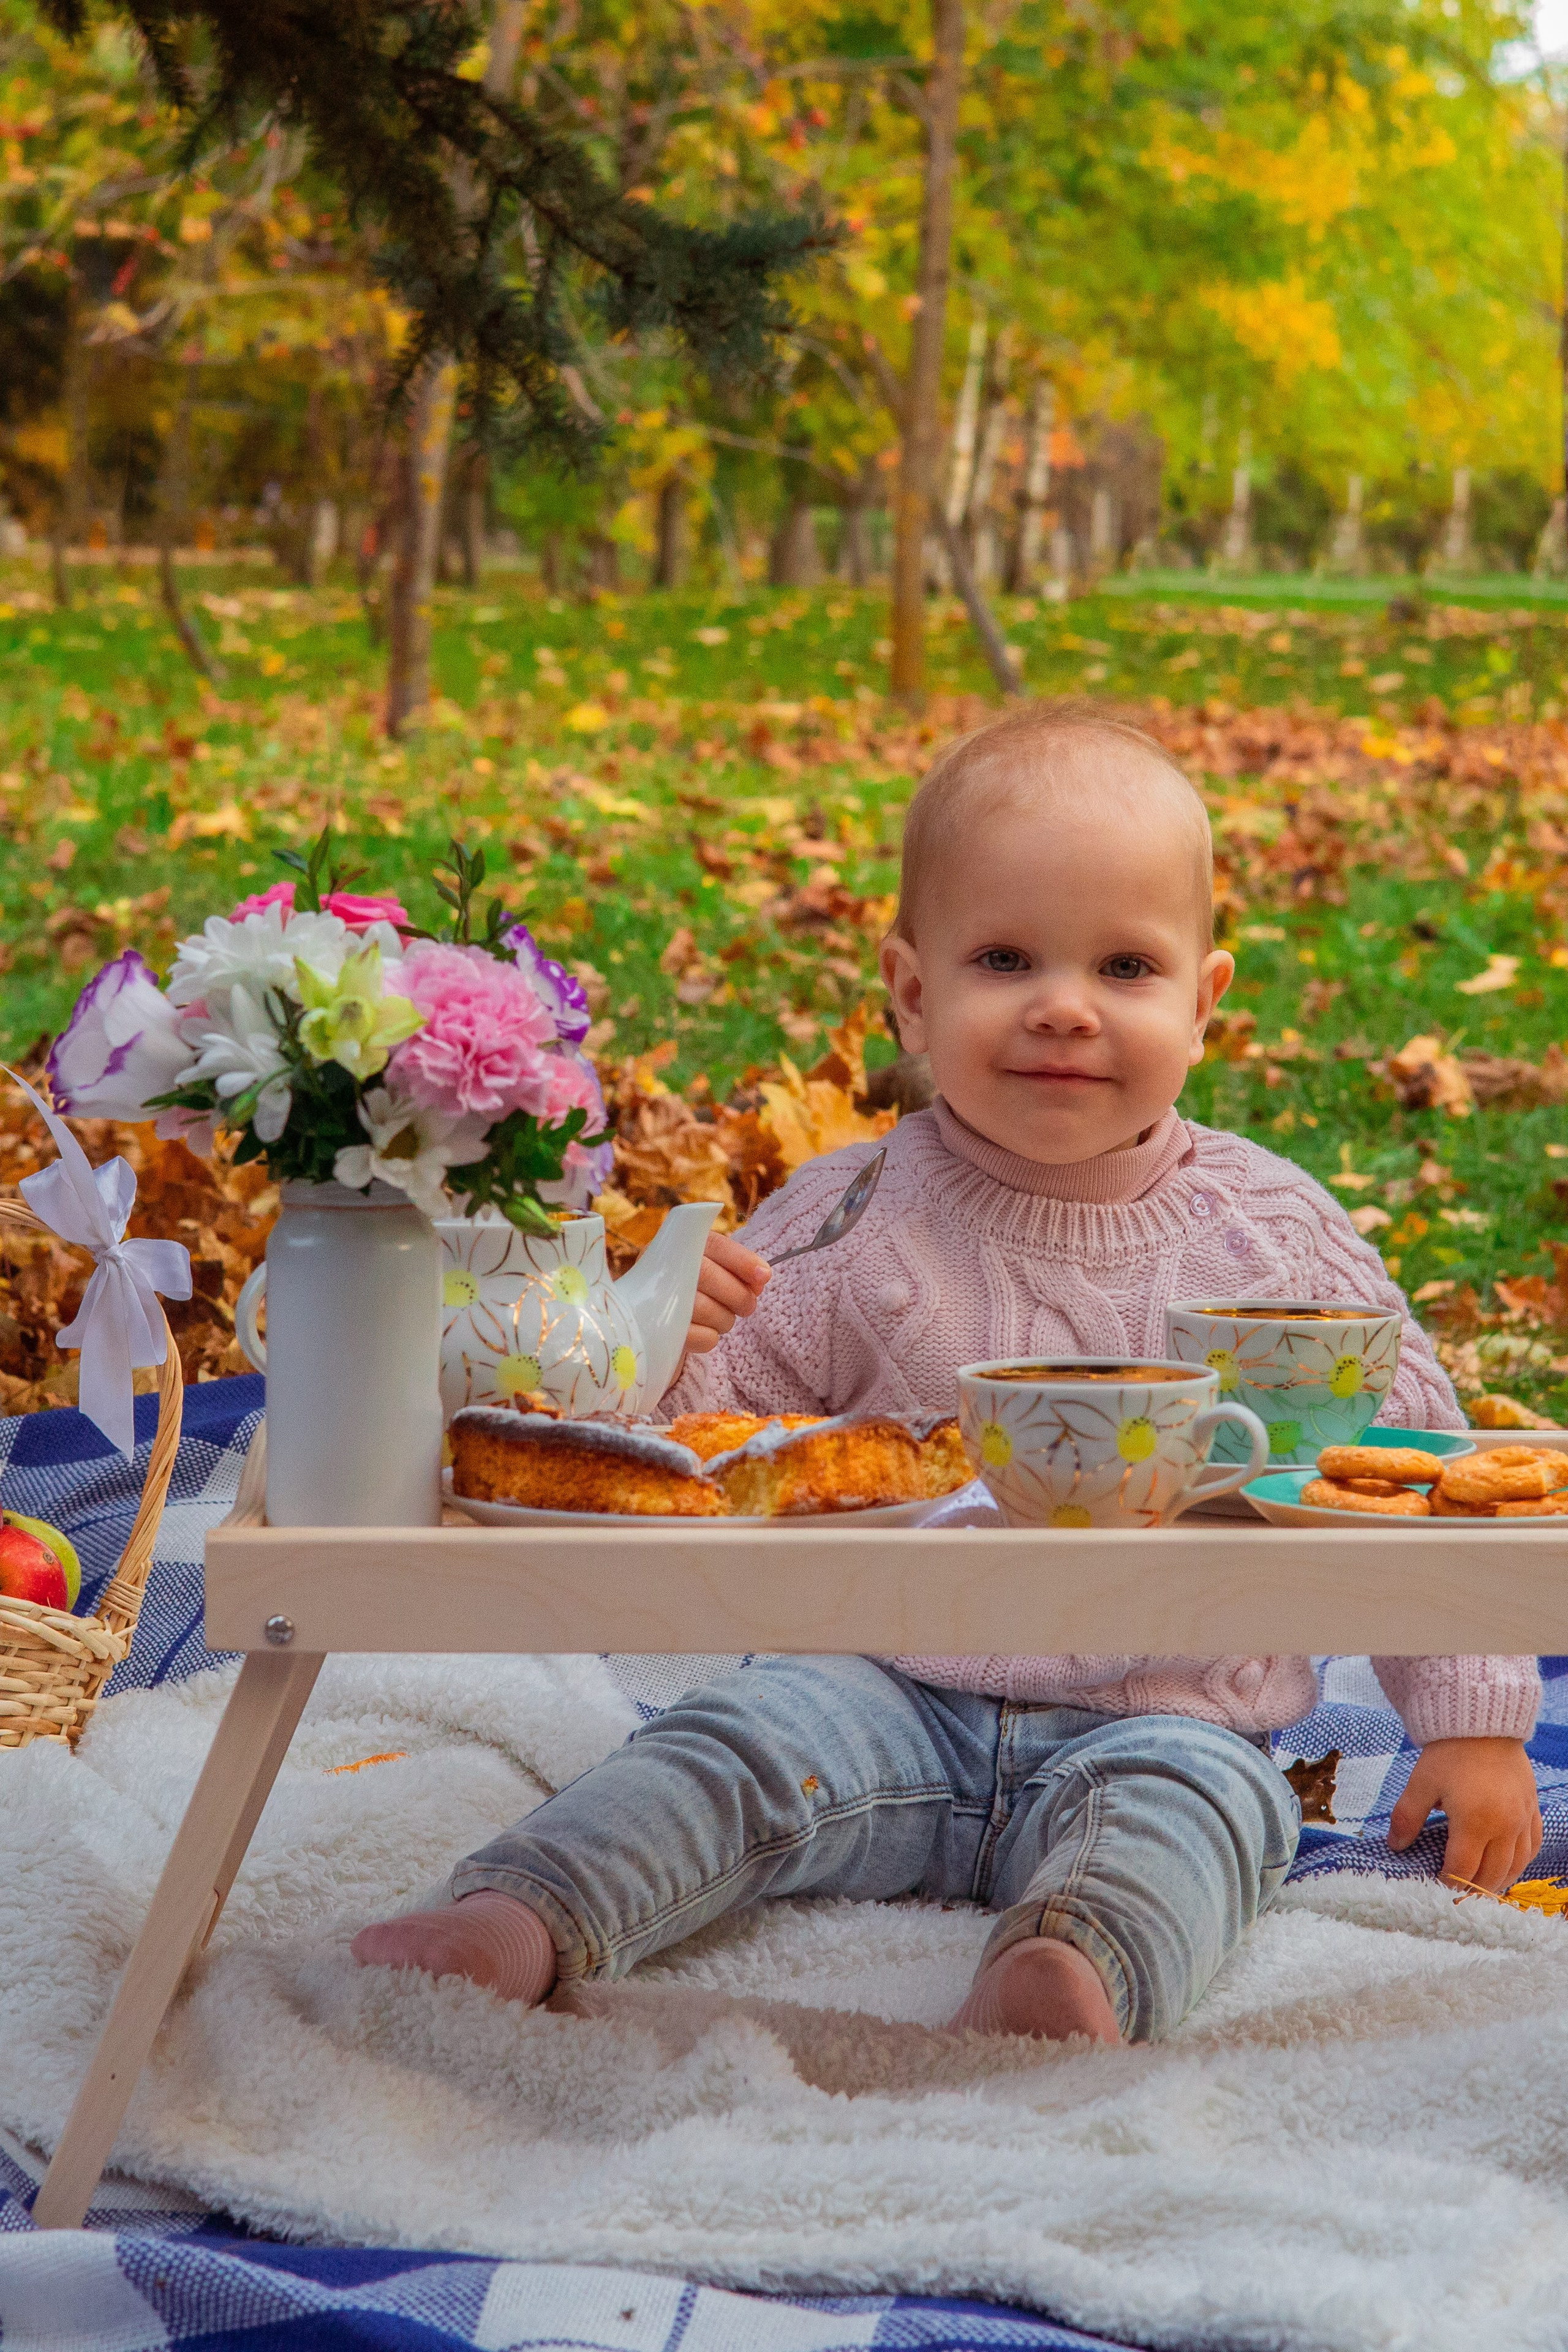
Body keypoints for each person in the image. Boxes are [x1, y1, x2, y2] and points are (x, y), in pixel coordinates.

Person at [353, 701, 1542, 2044]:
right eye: (1003, 958)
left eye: (1126, 967)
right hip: (874, 1687)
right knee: (721, 1749)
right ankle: (521, 1910)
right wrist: (664, 1347)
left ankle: (1068, 1968)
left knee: (1203, 1817)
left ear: (1205, 1003)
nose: (1063, 1007)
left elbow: (1412, 1470)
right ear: (913, 995)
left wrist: (1473, 1718)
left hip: (1171, 1712)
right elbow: (693, 1468)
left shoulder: (1274, 1238)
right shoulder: (841, 1218)